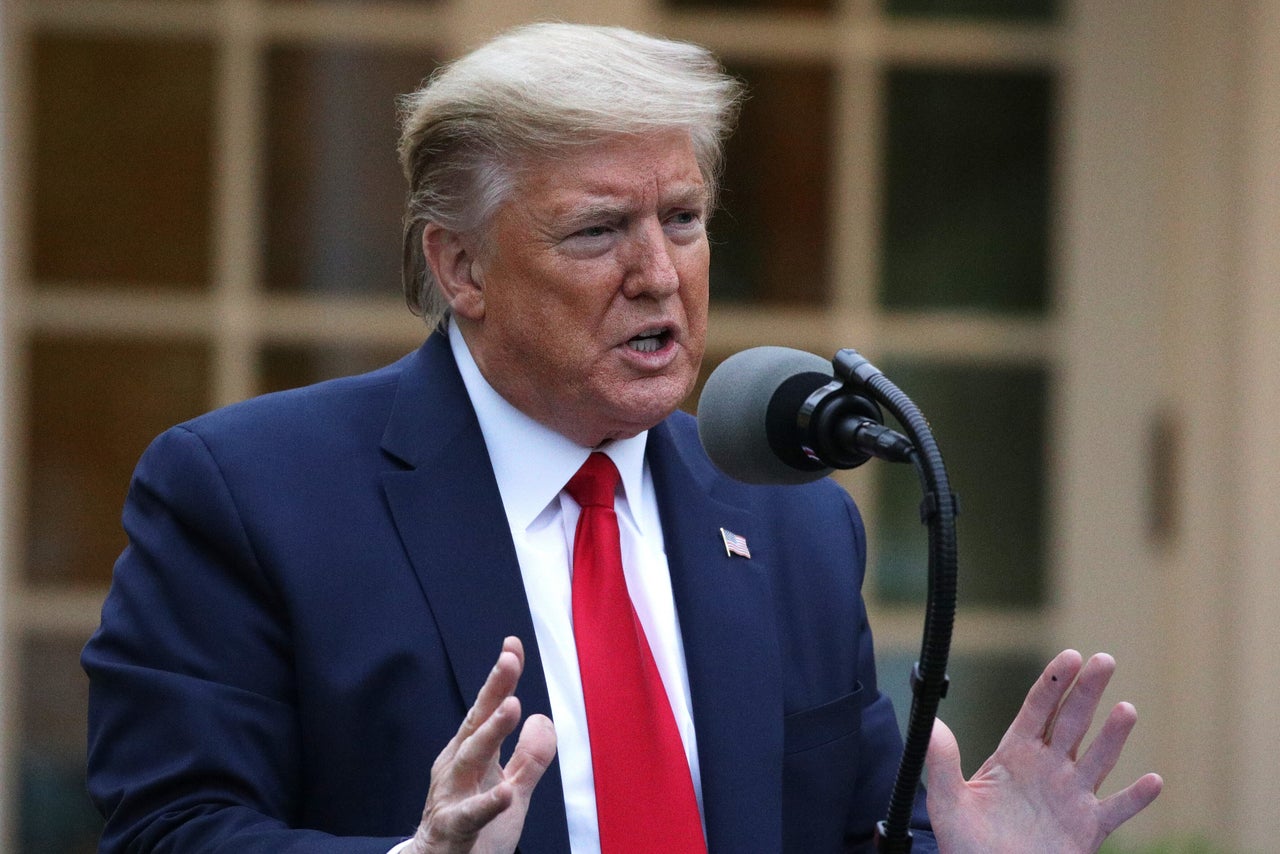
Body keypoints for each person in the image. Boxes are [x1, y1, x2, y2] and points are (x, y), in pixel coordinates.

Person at [82, 22, 1162, 854]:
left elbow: (846, 831)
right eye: (598, 229)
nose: (659, 272)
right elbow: (168, 827)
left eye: (682, 219)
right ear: (459, 266)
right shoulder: (244, 491)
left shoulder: (788, 518)